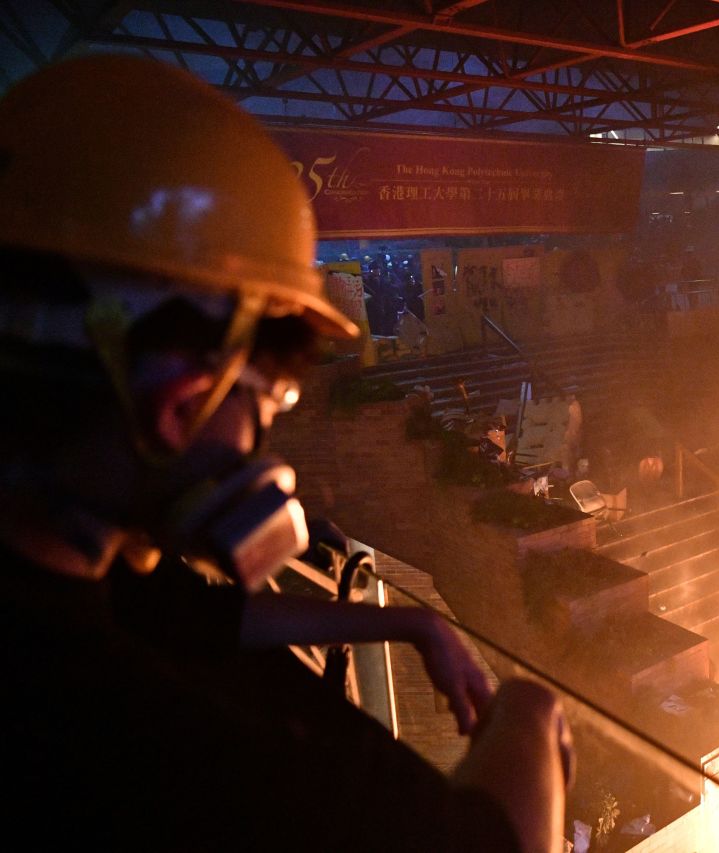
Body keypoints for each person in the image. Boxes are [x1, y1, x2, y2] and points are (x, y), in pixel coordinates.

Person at [0, 55, 569, 851]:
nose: (259, 448)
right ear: (179, 404)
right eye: (265, 405)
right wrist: (535, 715)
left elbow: (192, 613)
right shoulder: (161, 748)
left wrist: (410, 623)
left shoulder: (66, 572)